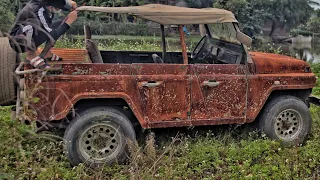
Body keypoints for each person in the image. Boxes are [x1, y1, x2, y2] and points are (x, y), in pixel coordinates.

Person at [9, 0, 78, 69]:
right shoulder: (39, 12)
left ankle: (47, 53)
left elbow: (59, 2)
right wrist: (68, 22)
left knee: (59, 24)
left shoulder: (45, 3)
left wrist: (69, 4)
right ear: (50, 7)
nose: (59, 10)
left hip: (29, 31)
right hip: (17, 40)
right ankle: (30, 55)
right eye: (58, 8)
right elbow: (52, 35)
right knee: (37, 26)